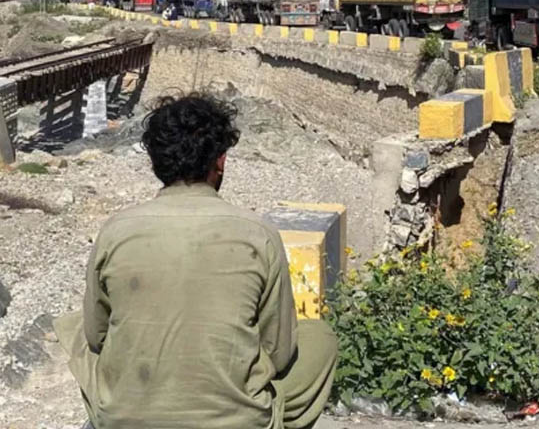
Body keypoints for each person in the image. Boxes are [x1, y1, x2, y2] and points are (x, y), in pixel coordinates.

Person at [53, 93, 338, 429]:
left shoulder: (115, 231)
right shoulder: (259, 234)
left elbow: (96, 335)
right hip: (237, 420)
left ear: (155, 163)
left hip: (123, 418)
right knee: (319, 338)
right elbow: (278, 349)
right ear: (221, 161)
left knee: (74, 327)